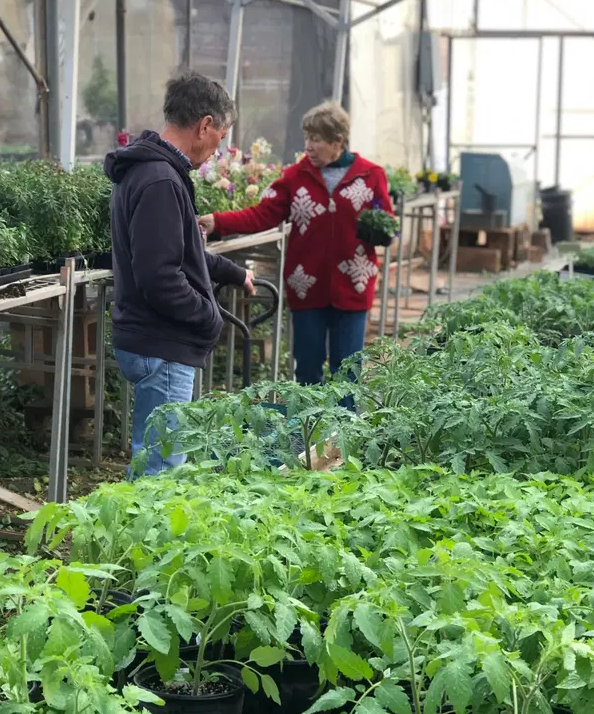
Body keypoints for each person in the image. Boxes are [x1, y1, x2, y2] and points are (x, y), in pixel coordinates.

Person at [104, 72, 254, 476]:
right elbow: (161, 277)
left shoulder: (150, 171)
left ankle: (125, 536)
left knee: (151, 456)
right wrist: (209, 318)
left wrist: (231, 273)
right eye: (220, 138)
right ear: (204, 125)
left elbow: (179, 251)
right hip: (163, 343)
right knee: (162, 468)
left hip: (150, 338)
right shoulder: (159, 180)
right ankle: (141, 541)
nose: (217, 151)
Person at [199, 101, 392, 391]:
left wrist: (381, 229)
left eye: (316, 139)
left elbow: (386, 221)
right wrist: (218, 221)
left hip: (353, 284)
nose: (308, 146)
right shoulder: (295, 177)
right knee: (308, 368)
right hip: (307, 286)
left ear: (337, 141)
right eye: (307, 138)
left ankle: (345, 434)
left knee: (348, 371)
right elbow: (262, 214)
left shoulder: (371, 175)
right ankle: (308, 433)